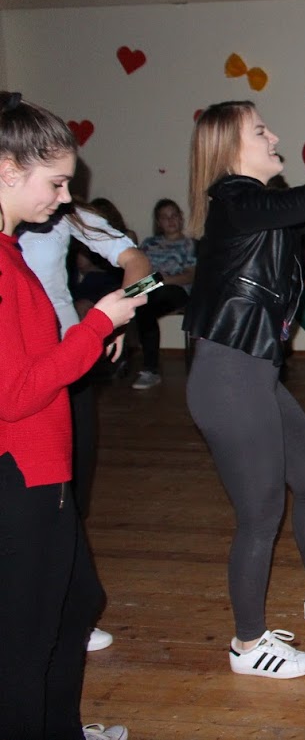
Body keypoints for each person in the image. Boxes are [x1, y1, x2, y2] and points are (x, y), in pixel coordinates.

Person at [183, 92, 305, 680]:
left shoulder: (257, 210)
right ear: (229, 148)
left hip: (254, 373)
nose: (274, 139)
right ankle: (248, 644)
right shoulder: (234, 200)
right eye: (261, 131)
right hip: (229, 376)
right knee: (260, 513)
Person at [0, 90, 144, 740]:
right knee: (25, 645)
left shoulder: (11, 250)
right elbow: (14, 393)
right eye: (56, 183)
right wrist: (95, 326)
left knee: (76, 603)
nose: (64, 198)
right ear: (9, 170)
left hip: (42, 472)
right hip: (21, 476)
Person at [20, 200, 153, 655]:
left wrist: (119, 316)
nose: (64, 192)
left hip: (70, 365)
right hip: (20, 375)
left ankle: (70, 614)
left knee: (71, 497)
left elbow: (142, 266)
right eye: (57, 180)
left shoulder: (65, 214)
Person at [131, 198, 197, 389]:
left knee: (146, 305)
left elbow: (191, 275)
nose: (170, 220)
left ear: (180, 218)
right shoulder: (149, 243)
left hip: (176, 288)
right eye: (165, 217)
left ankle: (150, 370)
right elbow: (137, 270)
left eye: (174, 215)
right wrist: (131, 290)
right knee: (126, 299)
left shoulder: (188, 244)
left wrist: (164, 280)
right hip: (149, 286)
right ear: (158, 222)